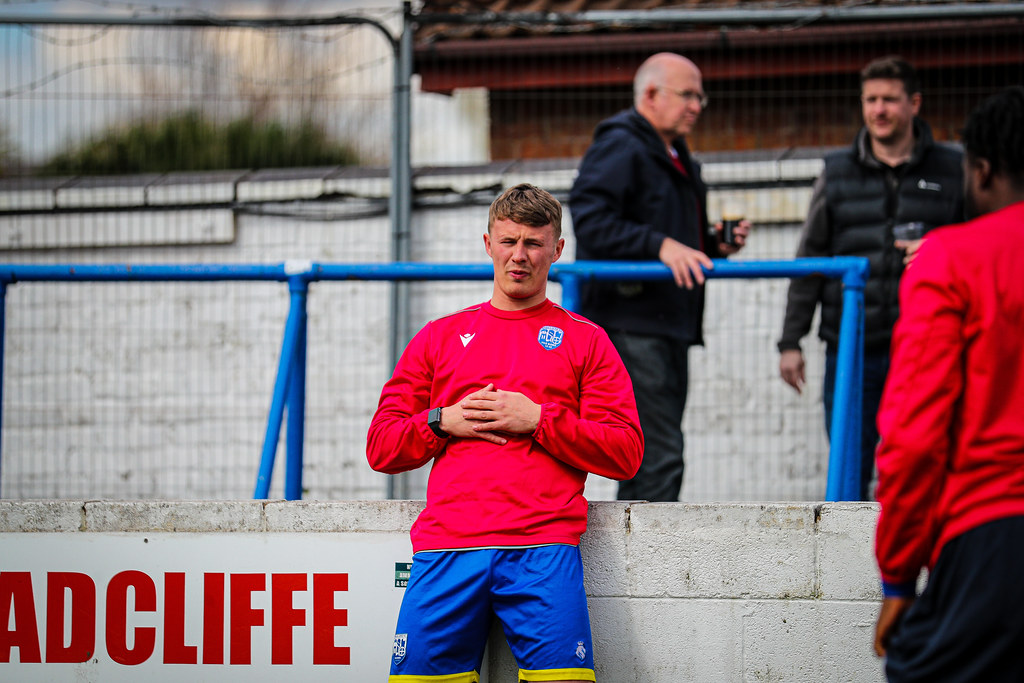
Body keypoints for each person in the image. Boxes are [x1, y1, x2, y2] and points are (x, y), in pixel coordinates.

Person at [366, 183, 643, 683]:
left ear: (557, 251)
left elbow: (625, 452)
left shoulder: (585, 340)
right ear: (488, 243)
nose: (520, 256)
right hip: (446, 550)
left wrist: (539, 420)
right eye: (509, 241)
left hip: (543, 550)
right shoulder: (439, 337)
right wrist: (440, 422)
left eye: (534, 243)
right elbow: (382, 446)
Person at [872, 85, 1024, 681]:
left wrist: (898, 578)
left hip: (996, 538)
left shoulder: (953, 258)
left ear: (981, 170)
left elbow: (913, 436)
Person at [776, 56, 963, 500]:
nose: (879, 110)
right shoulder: (837, 171)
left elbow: (978, 242)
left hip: (928, 346)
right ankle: (852, 569)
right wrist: (789, 341)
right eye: (871, 100)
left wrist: (942, 248)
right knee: (850, 464)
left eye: (890, 100)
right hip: (852, 347)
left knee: (924, 462)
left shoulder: (953, 168)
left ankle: (925, 566)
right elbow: (812, 258)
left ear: (914, 103)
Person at [569, 52, 749, 502]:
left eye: (700, 96)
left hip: (666, 322)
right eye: (687, 94)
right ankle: (648, 569)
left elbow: (669, 234)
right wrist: (660, 245)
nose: (697, 105)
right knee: (659, 455)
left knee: (651, 453)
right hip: (632, 324)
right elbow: (590, 220)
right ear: (650, 95)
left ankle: (639, 564)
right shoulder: (622, 143)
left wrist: (712, 244)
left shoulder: (674, 153)